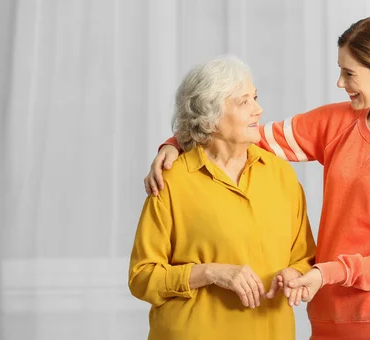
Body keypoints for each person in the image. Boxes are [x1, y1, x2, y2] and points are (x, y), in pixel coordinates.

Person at [144, 16, 370, 340]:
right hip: (328, 324)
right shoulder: (338, 122)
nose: (340, 82)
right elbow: (243, 134)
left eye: (349, 74)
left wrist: (328, 273)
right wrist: (175, 144)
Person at [129, 56, 316, 340]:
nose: (259, 109)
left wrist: (294, 275)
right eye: (244, 102)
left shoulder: (281, 174)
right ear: (210, 117)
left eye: (255, 97)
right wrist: (210, 273)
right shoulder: (171, 180)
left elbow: (303, 257)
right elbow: (142, 277)